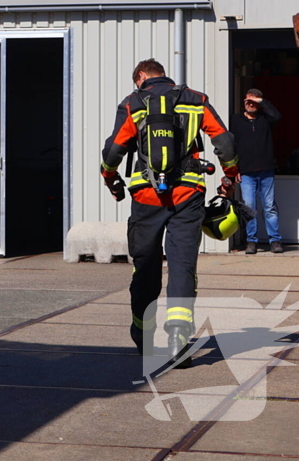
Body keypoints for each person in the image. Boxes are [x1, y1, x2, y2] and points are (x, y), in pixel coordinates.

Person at [100, 59, 239, 368]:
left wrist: (111, 180)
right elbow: (224, 142)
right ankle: (178, 339)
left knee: (145, 267)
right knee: (182, 267)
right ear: (163, 74)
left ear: (140, 77)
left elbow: (113, 152)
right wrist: (230, 174)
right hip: (188, 195)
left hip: (146, 197)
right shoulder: (195, 99)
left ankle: (142, 332)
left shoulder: (133, 102)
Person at [229, 89, 283, 255]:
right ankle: (251, 241)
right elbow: (230, 145)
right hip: (246, 172)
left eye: (254, 102)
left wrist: (261, 101)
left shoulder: (266, 119)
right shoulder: (236, 120)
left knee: (269, 207)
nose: (250, 104)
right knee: (249, 207)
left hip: (266, 170)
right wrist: (233, 169)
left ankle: (275, 240)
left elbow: (277, 116)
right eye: (248, 101)